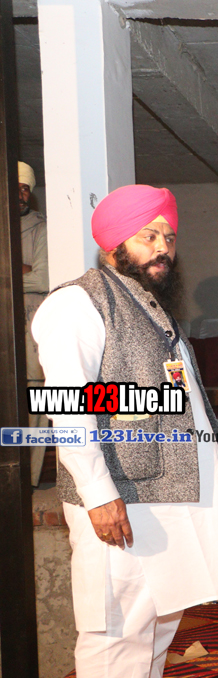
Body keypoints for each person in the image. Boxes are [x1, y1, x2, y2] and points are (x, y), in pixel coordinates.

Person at [32, 184, 218, 678]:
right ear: (113, 244)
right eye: (148, 236)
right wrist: (98, 493)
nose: (163, 247)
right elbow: (68, 406)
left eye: (169, 237)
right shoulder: (76, 303)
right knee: (116, 636)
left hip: (163, 496)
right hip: (120, 498)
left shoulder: (149, 306)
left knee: (155, 627)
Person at [18, 161, 50, 485]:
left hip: (30, 324)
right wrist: (21, 268)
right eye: (13, 187)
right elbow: (28, 274)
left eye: (25, 188)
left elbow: (42, 279)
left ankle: (28, 481)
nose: (20, 194)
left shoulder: (42, 228)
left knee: (33, 400)